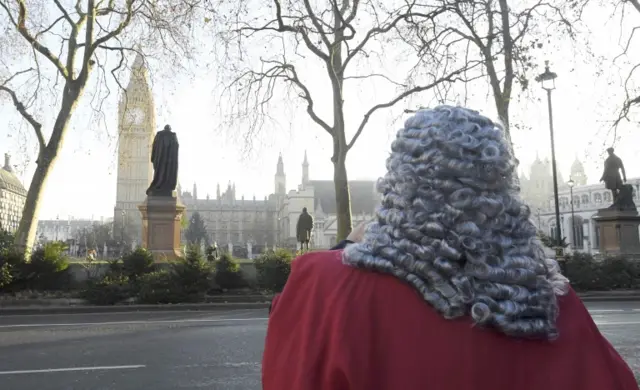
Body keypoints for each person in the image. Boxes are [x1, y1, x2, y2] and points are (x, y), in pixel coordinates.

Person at [262, 106, 638, 390]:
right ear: (500, 190)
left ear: (397, 184)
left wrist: (348, 247)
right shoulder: (549, 301)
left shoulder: (325, 287)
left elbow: (289, 372)